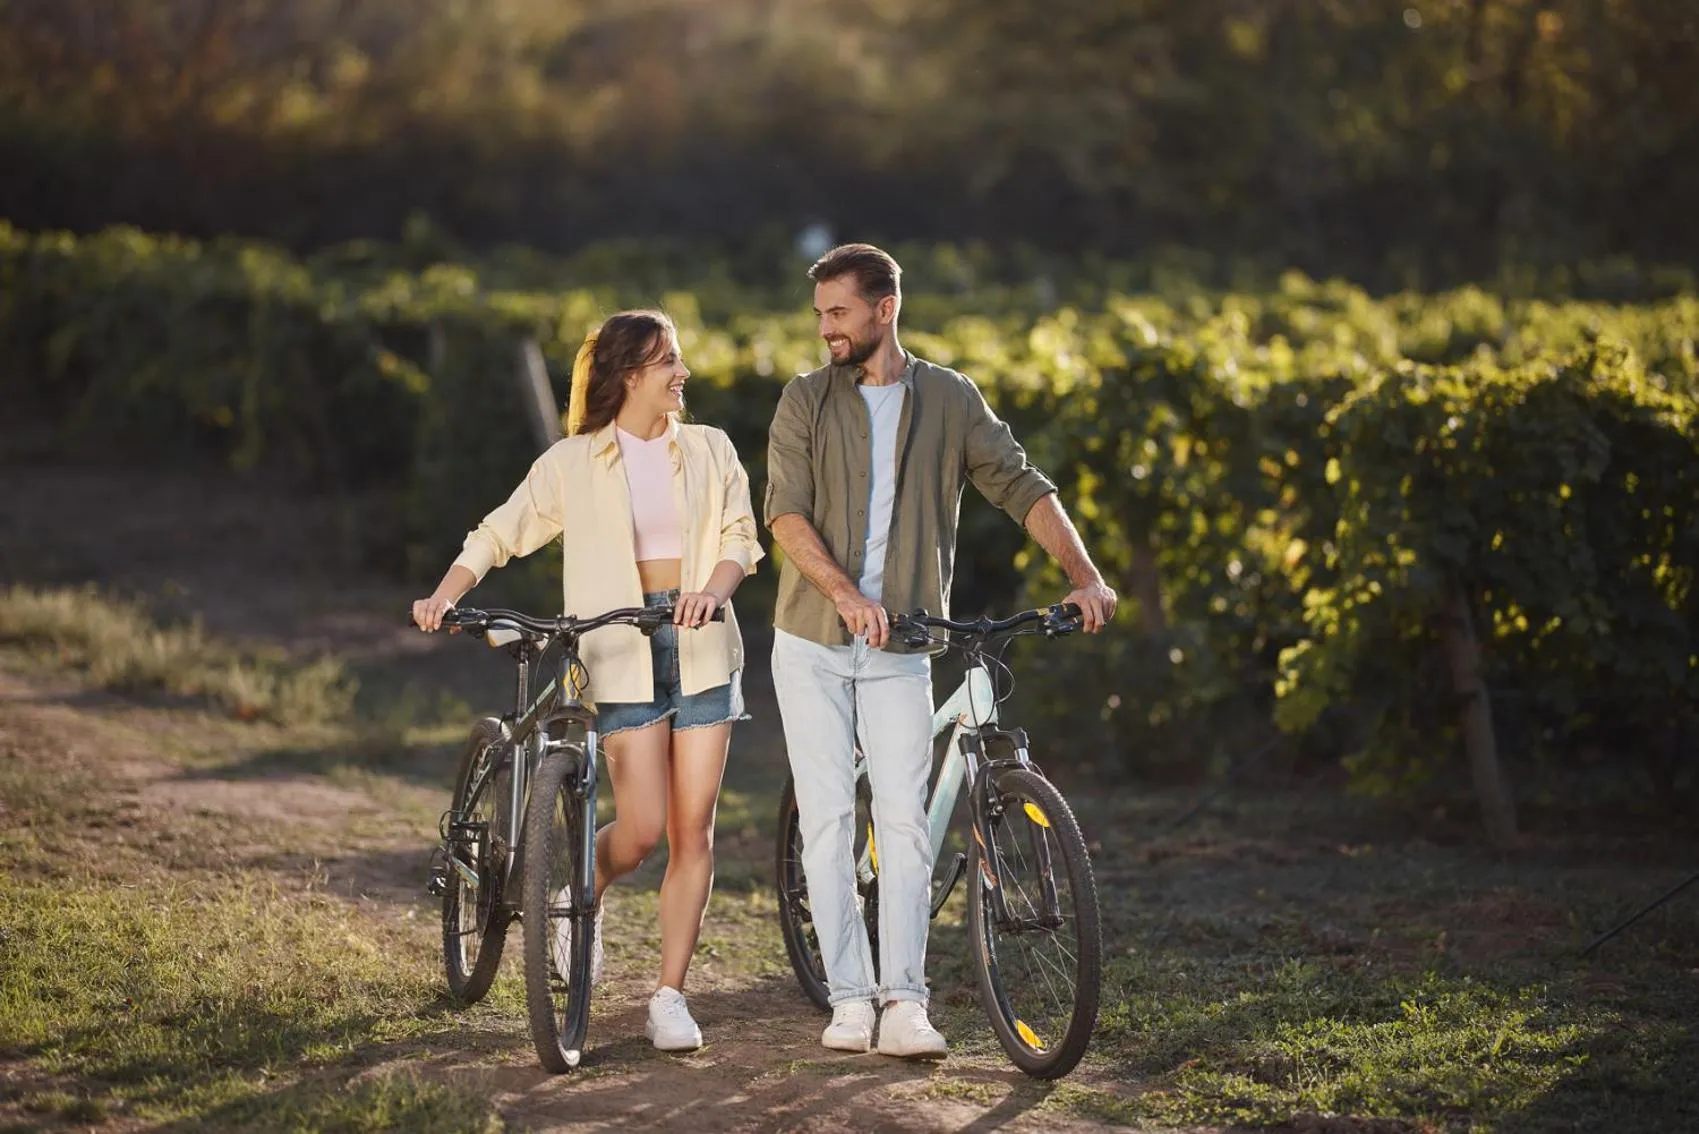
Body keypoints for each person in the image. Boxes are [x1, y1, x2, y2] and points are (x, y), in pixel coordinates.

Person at [764, 244, 1117, 1059]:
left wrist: (1085, 575)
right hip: (812, 643)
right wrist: (848, 599)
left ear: (884, 309)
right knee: (826, 824)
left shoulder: (951, 399)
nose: (825, 329)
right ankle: (849, 997)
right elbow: (784, 515)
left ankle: (905, 1003)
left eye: (837, 312)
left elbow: (1021, 486)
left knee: (906, 824)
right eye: (820, 314)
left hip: (906, 641)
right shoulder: (803, 400)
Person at [412, 310, 764, 1053]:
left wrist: (717, 590)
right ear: (629, 374)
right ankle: (579, 895)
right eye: (668, 360)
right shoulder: (574, 461)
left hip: (702, 648)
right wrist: (447, 592)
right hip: (617, 651)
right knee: (638, 833)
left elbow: (740, 537)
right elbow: (499, 531)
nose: (683, 373)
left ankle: (669, 994)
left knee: (691, 832)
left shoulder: (709, 448)